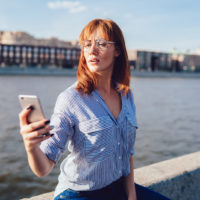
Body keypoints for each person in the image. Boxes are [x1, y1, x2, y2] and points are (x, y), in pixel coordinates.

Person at [19, 19, 171, 200]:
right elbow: (43, 169)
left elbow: (127, 152)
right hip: (79, 193)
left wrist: (131, 195)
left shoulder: (126, 95)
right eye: (87, 44)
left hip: (118, 188)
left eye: (101, 43)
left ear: (117, 51)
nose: (92, 50)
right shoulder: (71, 99)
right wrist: (31, 146)